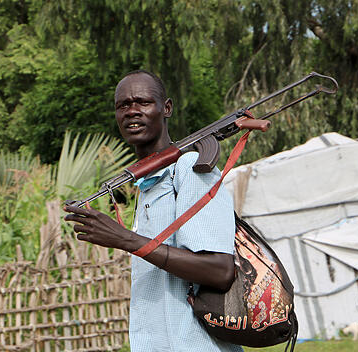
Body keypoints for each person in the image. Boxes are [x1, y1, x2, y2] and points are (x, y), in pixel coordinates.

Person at [64, 70, 242, 351]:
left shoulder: (191, 169)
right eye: (123, 105)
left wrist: (125, 239)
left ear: (166, 108)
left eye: (143, 102)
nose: (132, 111)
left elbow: (220, 270)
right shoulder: (147, 185)